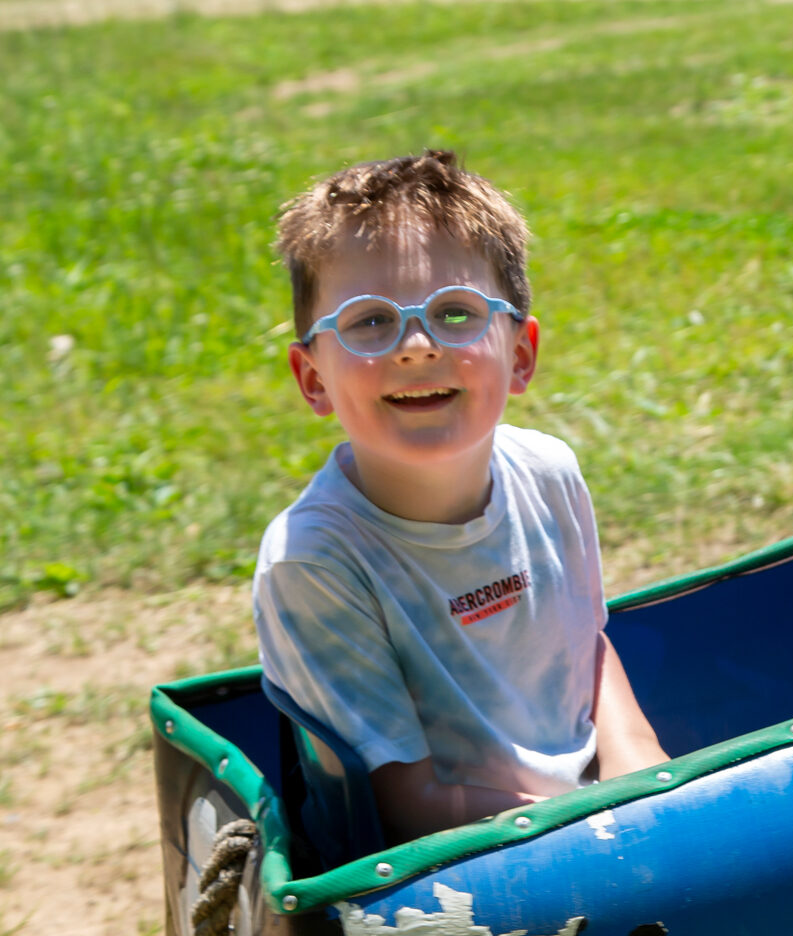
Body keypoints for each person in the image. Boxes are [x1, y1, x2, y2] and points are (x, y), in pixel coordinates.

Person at [253, 150, 667, 845]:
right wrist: (591, 819)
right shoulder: (315, 562)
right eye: (370, 321)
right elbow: (405, 804)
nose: (416, 346)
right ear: (313, 378)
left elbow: (585, 651)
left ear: (521, 355)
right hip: (451, 862)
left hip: (584, 815)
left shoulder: (548, 473)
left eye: (455, 313)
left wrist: (641, 766)